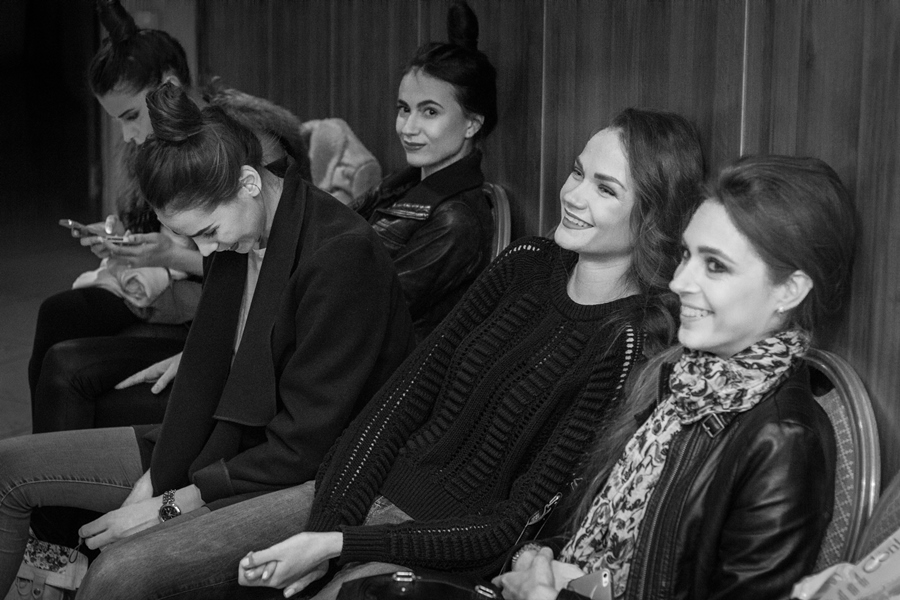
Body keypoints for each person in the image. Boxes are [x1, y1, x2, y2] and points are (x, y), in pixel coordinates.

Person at [72, 106, 706, 600]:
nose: (574, 194)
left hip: (435, 545)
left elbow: (511, 526)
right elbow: (397, 403)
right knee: (120, 573)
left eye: (605, 188)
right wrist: (329, 525)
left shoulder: (625, 341)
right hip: (355, 490)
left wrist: (339, 547)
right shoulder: (525, 264)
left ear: (652, 216)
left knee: (128, 578)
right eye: (576, 172)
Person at [0, 82, 415, 596]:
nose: (203, 250)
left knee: (116, 574)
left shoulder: (341, 256)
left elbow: (302, 446)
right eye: (190, 237)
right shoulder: (239, 234)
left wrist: (169, 505)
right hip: (230, 441)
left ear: (249, 182)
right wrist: (157, 478)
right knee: (9, 468)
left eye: (208, 231)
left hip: (312, 473)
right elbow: (202, 370)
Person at [493, 154, 858, 600]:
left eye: (716, 265)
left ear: (789, 290)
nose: (680, 281)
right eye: (687, 254)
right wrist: (537, 560)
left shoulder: (785, 440)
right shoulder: (682, 376)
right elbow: (593, 534)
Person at [28, 0, 312, 432]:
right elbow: (153, 227)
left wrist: (171, 257)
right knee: (58, 315)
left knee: (66, 367)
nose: (128, 136)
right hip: (174, 290)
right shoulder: (149, 149)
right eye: (117, 121)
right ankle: (40, 464)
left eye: (131, 116)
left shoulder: (245, 145)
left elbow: (264, 268)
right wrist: (118, 238)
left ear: (169, 85)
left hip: (222, 304)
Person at [353, 0, 498, 340]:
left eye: (430, 112)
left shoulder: (456, 221)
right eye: (404, 109)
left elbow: (367, 312)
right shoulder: (401, 184)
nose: (408, 128)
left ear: (472, 124)